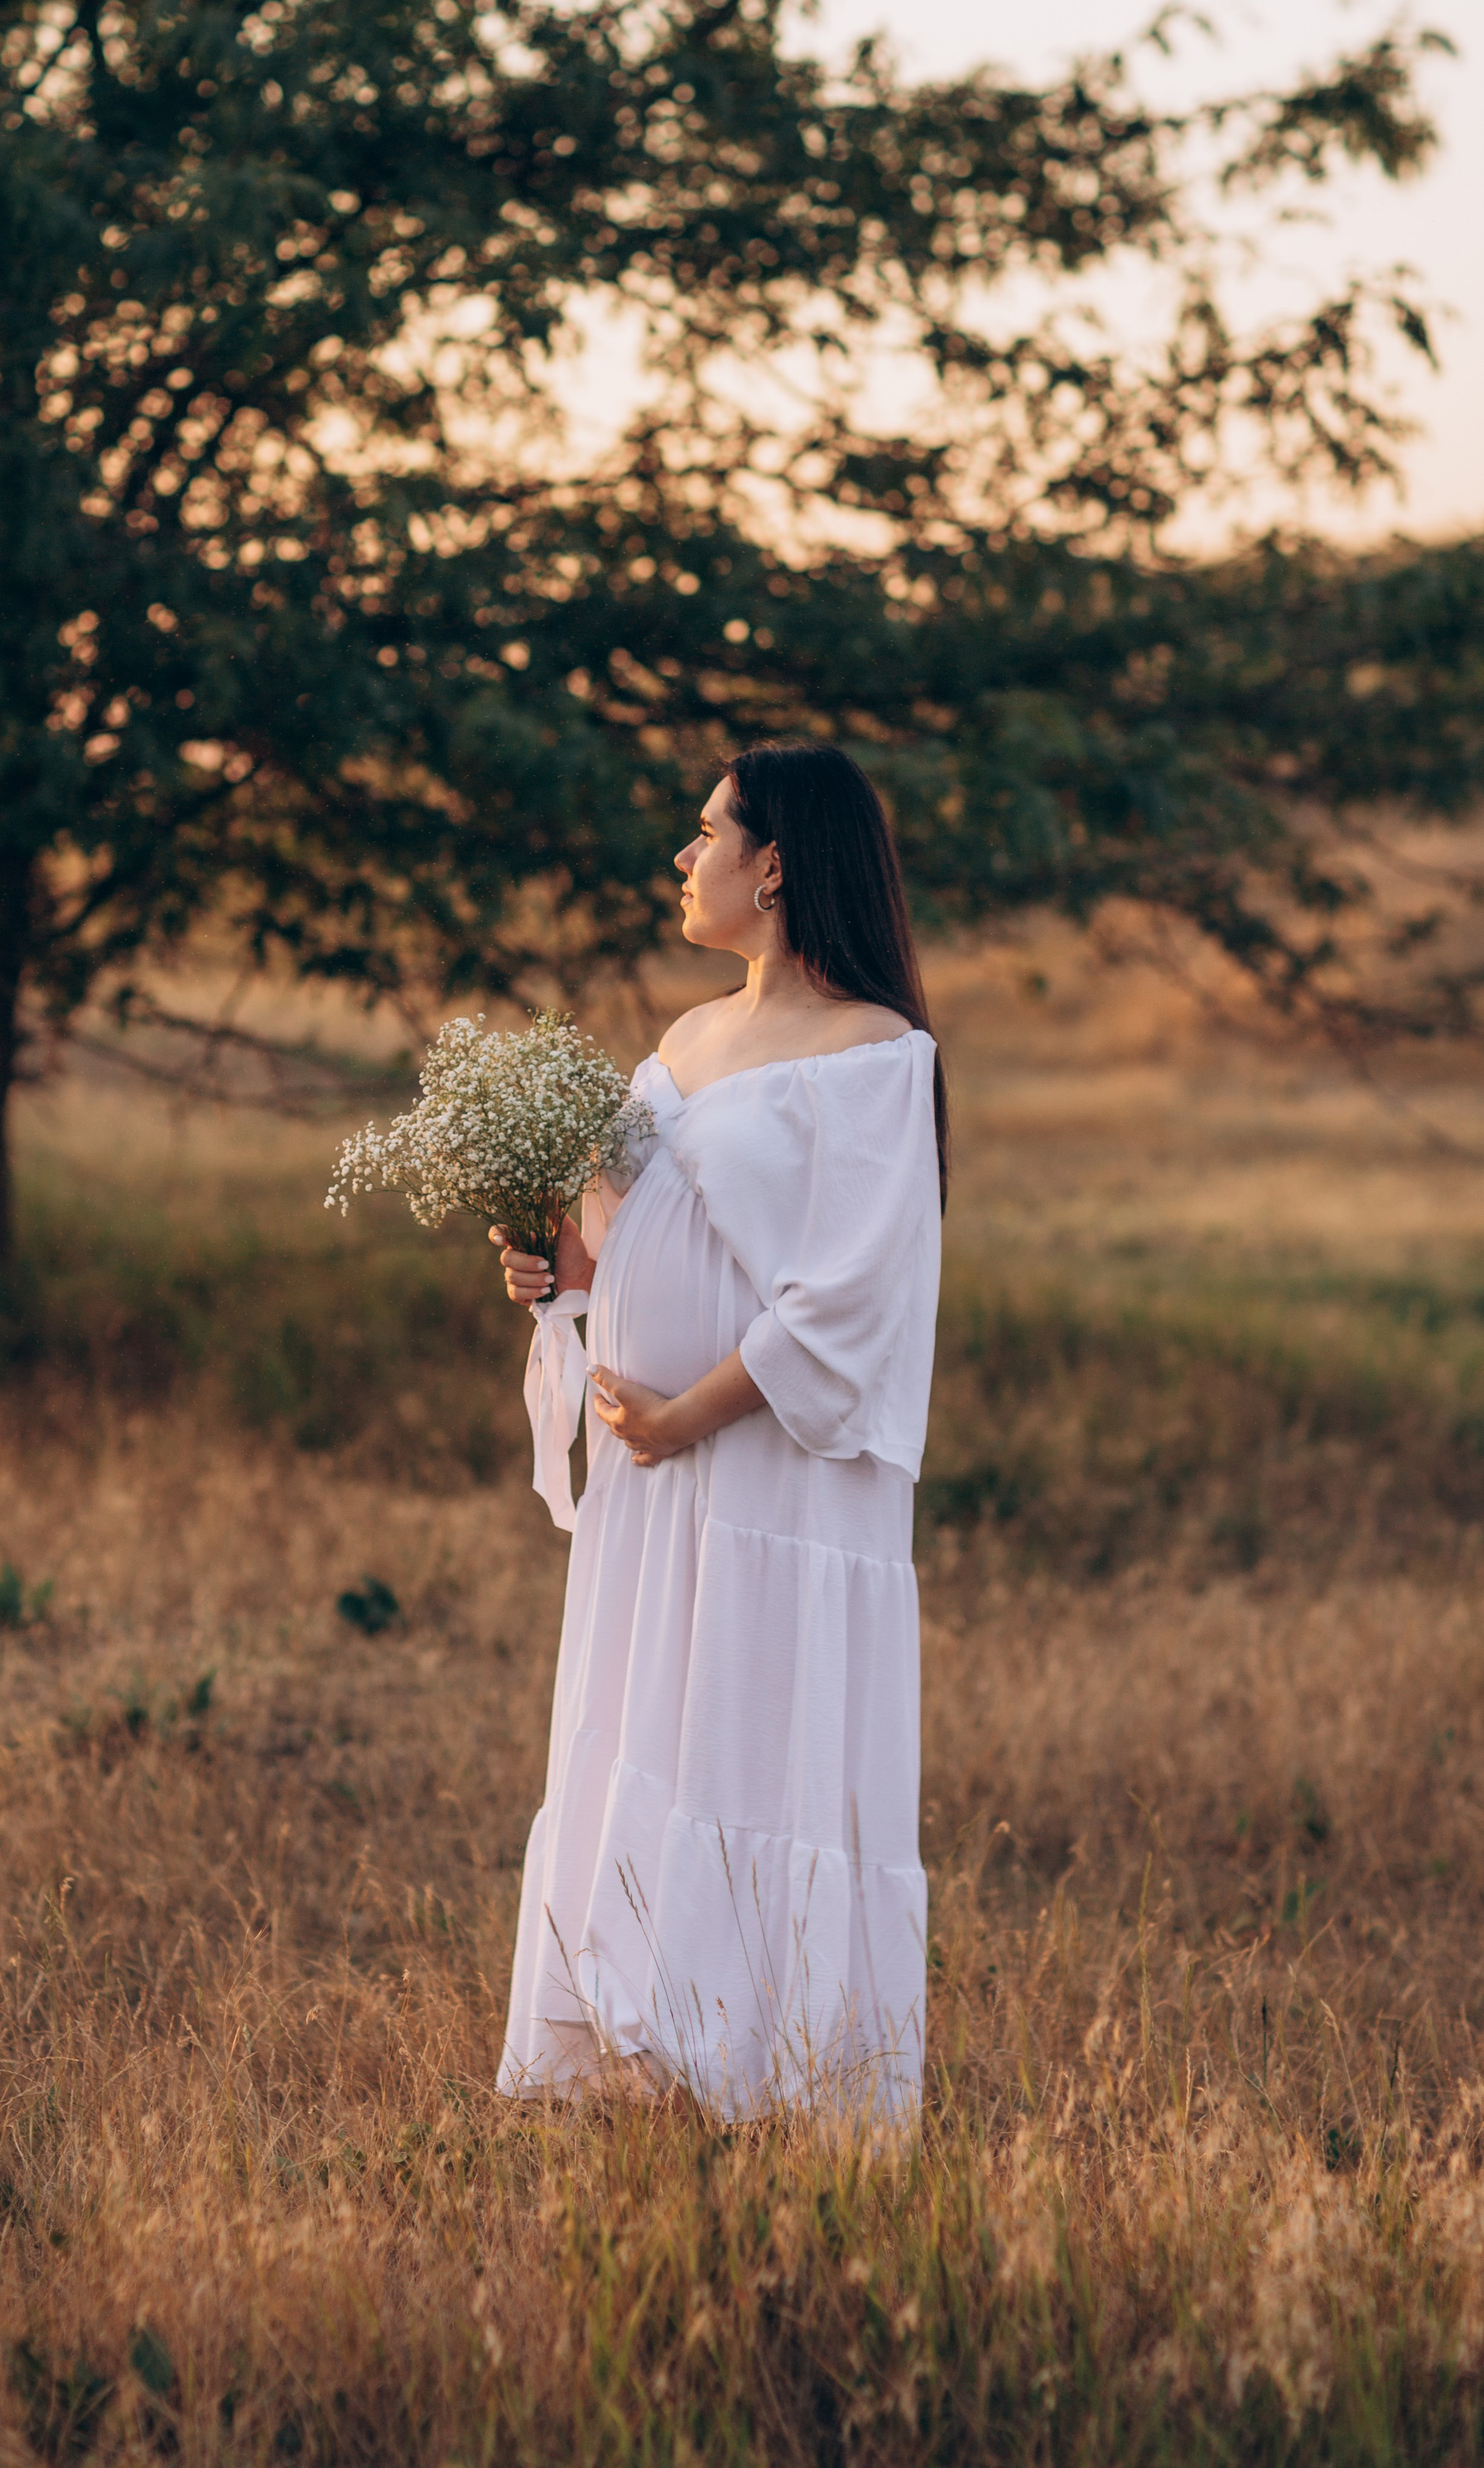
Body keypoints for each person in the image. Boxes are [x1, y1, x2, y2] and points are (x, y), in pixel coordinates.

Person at [490, 740, 946, 2119]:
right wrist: (554, 1270)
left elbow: (852, 1290)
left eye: (704, 834)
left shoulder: (877, 1053)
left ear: (777, 862)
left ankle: (761, 2069)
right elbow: (623, 1235)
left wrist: (690, 1409)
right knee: (647, 1733)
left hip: (761, 1477)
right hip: (652, 1489)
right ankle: (639, 2047)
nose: (680, 859)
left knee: (747, 1735)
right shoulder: (681, 1040)